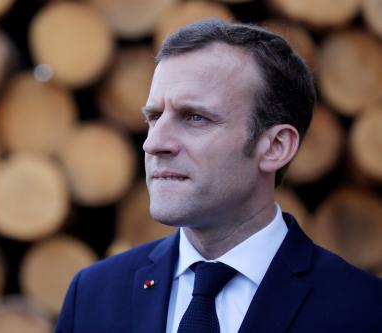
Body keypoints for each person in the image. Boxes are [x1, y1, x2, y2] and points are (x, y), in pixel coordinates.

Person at [55, 19, 382, 333]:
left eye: (195, 117)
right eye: (154, 117)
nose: (154, 143)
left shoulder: (364, 310)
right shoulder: (94, 295)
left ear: (276, 147)